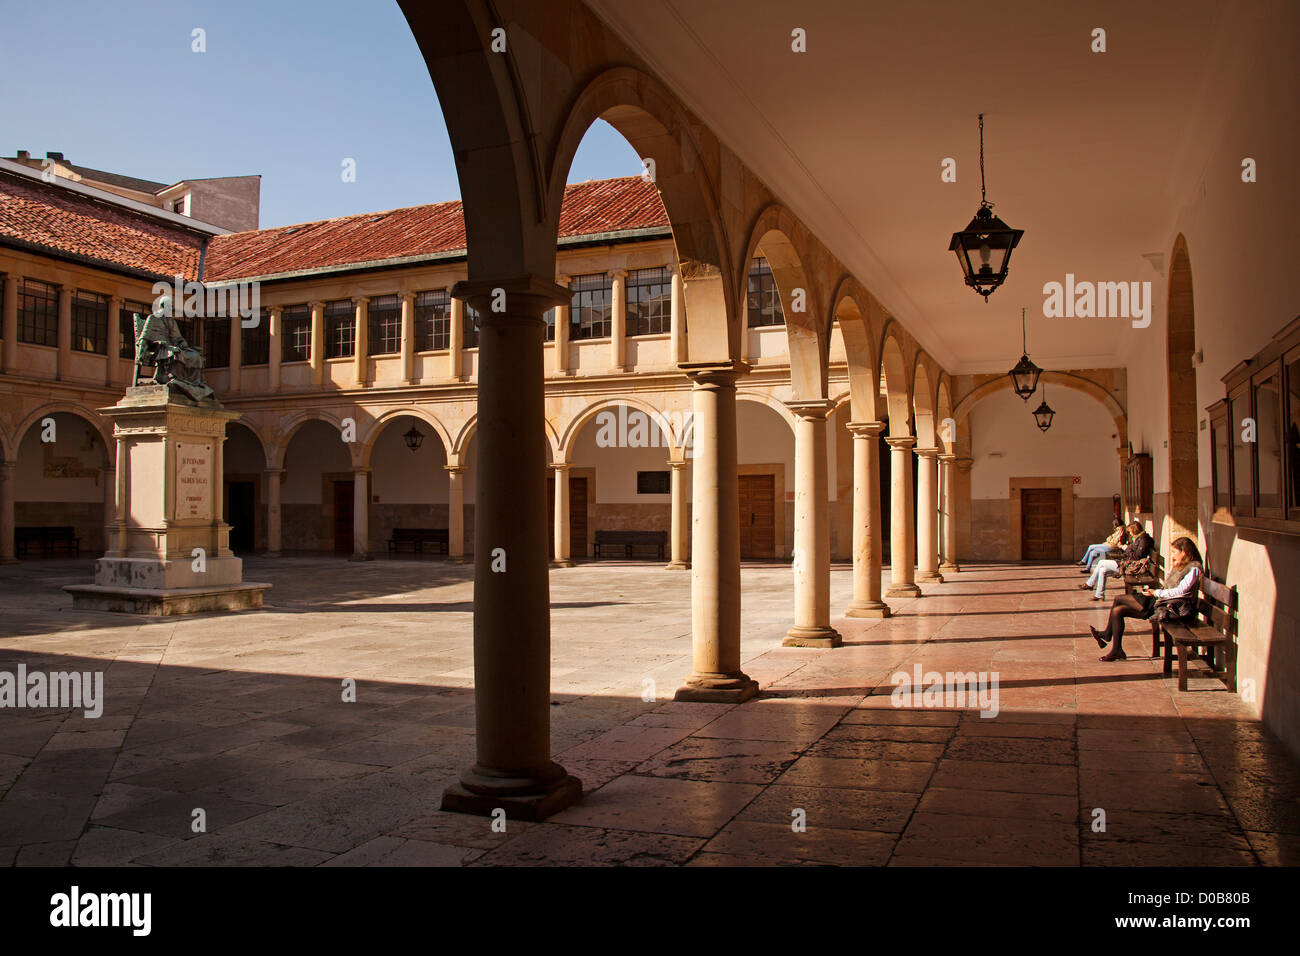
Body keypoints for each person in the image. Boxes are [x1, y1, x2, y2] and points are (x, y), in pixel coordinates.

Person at [1090, 536, 1203, 662]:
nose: (1172, 555)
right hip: (1163, 600)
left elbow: (1182, 592)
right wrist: (1157, 591)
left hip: (1172, 607)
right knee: (1118, 608)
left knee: (1118, 602)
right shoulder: (1182, 566)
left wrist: (1156, 593)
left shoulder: (1194, 568)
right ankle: (1116, 648)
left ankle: (1109, 639)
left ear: (1184, 552)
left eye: (1174, 552)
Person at [1080, 521, 1152, 600]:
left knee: (1101, 562)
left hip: (1129, 566)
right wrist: (1127, 548)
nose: (1130, 534)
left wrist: (1126, 548)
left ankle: (1090, 584)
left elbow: (1137, 556)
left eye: (1130, 532)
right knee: (1102, 570)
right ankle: (1099, 594)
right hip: (1127, 563)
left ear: (1134, 530)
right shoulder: (1139, 539)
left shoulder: (1143, 540)